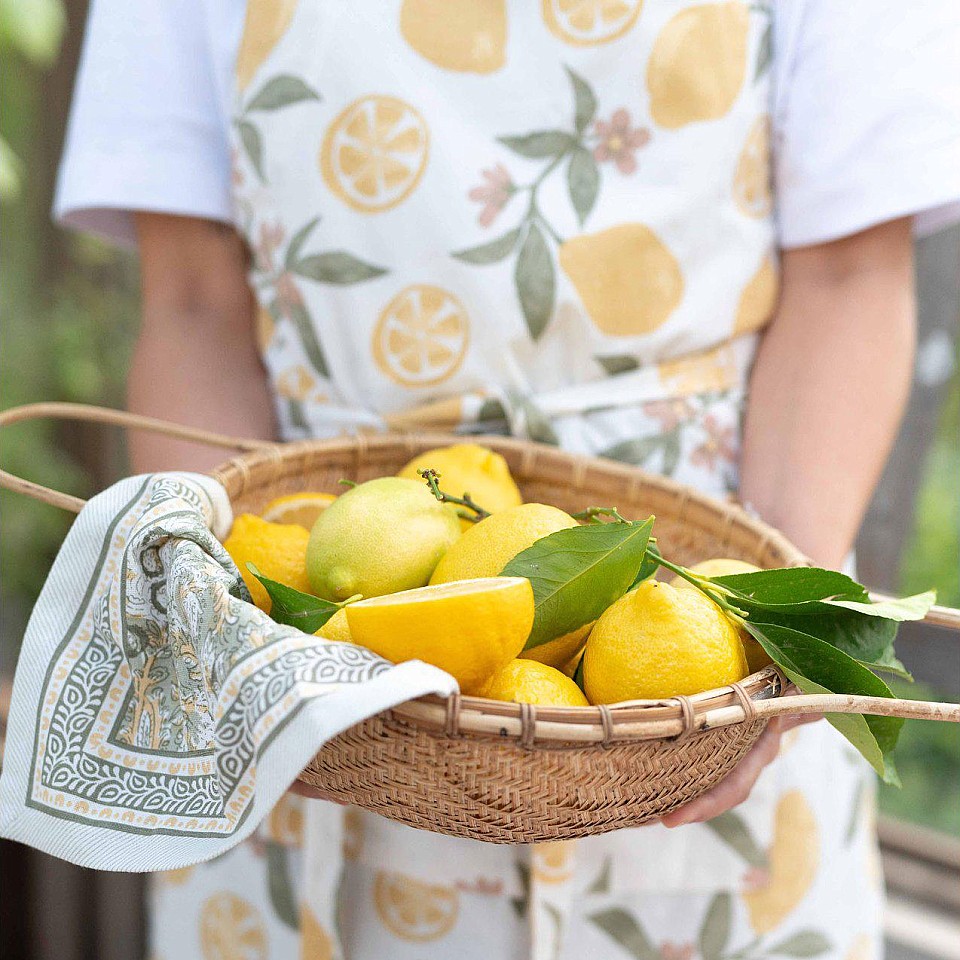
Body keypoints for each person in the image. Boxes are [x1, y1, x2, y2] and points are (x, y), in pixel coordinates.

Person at [54, 1, 960, 957]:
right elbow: (193, 300)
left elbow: (850, 274)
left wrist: (763, 640)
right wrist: (242, 644)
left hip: (696, 588)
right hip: (311, 612)